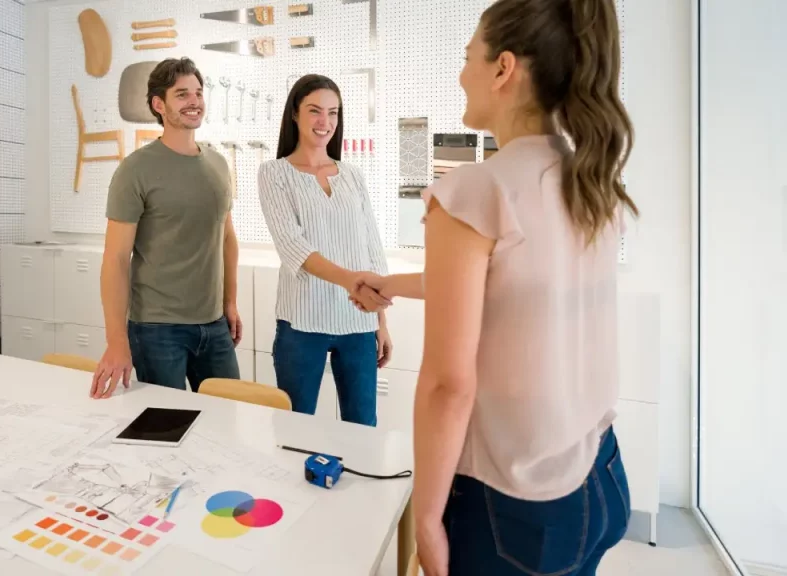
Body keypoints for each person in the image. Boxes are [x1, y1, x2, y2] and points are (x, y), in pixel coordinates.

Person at [354, 1, 637, 574]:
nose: (461, 74)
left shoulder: (475, 192)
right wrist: (388, 283)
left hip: (515, 508)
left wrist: (427, 519)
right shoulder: (589, 179)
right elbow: (509, 288)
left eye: (467, 59)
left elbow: (447, 386)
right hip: (601, 475)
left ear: (503, 68)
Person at [90, 57, 242, 399]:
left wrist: (229, 302)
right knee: (164, 427)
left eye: (199, 93)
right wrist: (117, 342)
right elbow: (115, 260)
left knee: (228, 421)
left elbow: (227, 239)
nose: (195, 102)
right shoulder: (135, 171)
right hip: (157, 329)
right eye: (182, 94)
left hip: (215, 326)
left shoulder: (217, 163)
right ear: (159, 105)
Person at [256, 74, 392, 427]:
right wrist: (352, 281)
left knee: (363, 428)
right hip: (302, 324)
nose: (325, 122)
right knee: (296, 429)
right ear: (295, 115)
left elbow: (371, 248)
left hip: (358, 322)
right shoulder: (274, 174)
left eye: (333, 113)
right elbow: (293, 248)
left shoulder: (352, 175)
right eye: (315, 111)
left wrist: (380, 321)